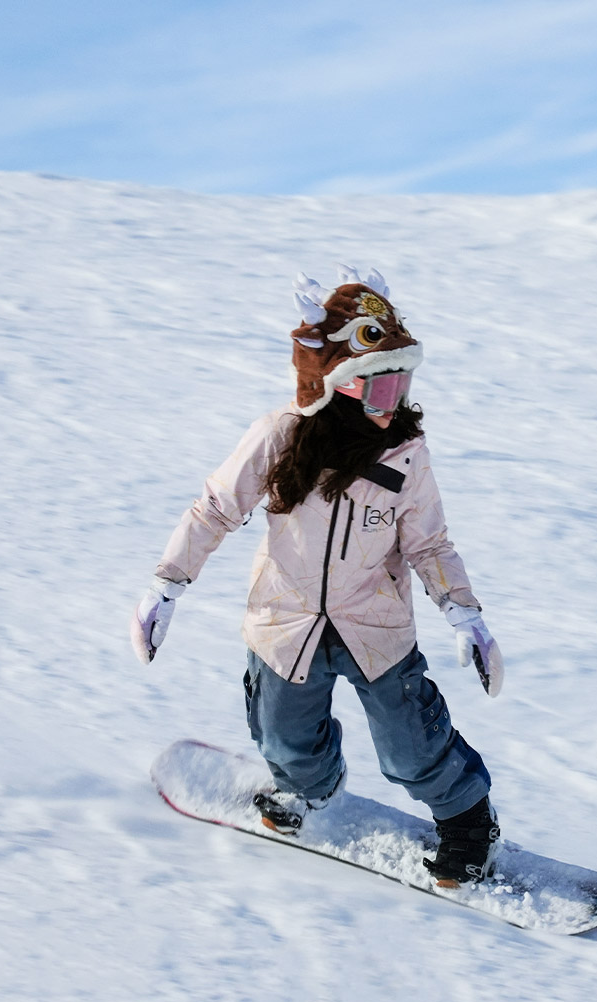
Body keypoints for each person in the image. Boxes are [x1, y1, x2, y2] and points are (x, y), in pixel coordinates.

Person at [131, 266, 506, 887]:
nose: (395, 406)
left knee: (412, 746)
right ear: (339, 387)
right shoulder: (280, 438)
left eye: (403, 386)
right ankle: (310, 792)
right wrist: (166, 586)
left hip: (374, 626)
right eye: (381, 390)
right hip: (285, 620)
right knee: (284, 738)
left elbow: (430, 543)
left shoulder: (405, 457)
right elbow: (214, 509)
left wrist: (464, 612)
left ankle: (468, 821)